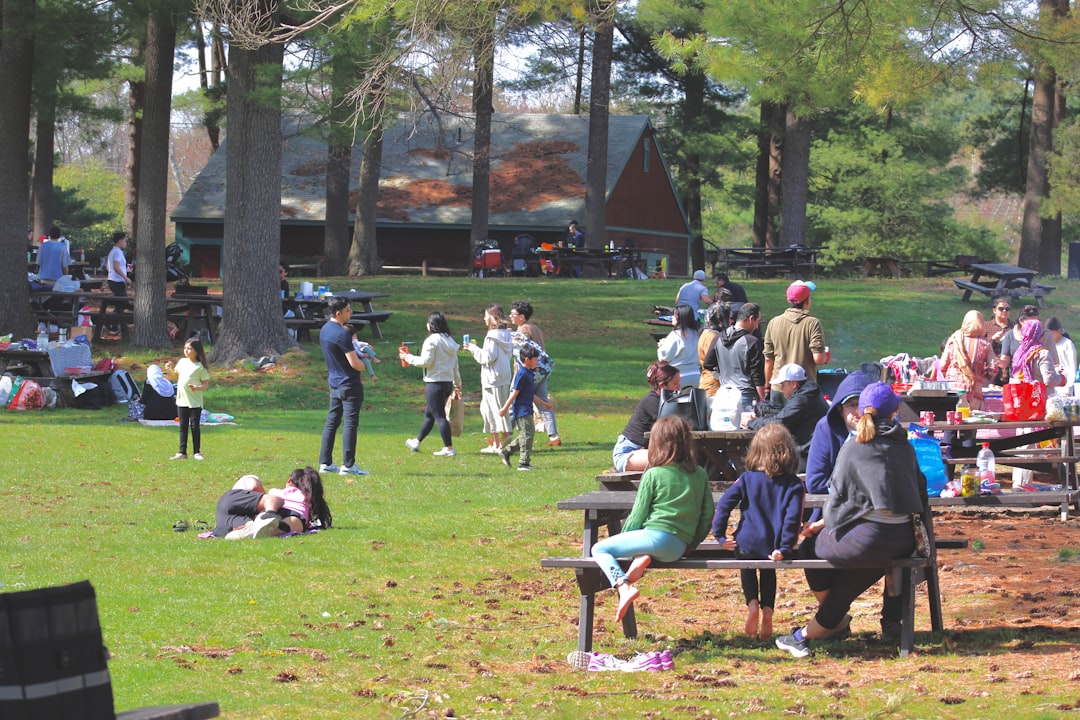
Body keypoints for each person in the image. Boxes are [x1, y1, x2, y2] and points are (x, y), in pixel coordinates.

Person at [776, 382, 928, 658]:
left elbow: (838, 502)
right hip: (902, 540)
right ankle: (805, 635)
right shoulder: (904, 446)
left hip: (867, 540)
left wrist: (822, 525)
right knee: (851, 579)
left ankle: (824, 625)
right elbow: (919, 490)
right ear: (894, 412)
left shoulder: (854, 447)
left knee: (809, 548)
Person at [802, 367, 904, 641]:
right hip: (837, 516)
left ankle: (890, 620)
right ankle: (833, 616)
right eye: (850, 405)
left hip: (875, 524)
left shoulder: (890, 437)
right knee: (809, 545)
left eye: (862, 405)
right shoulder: (828, 430)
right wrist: (852, 491)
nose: (856, 412)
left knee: (892, 552)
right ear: (839, 408)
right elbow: (815, 481)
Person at [591, 415, 713, 622]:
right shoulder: (700, 474)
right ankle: (642, 557)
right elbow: (707, 514)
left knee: (599, 549)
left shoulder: (653, 474)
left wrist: (626, 538)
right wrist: (692, 543)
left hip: (655, 535)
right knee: (646, 547)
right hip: (678, 548)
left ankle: (624, 587)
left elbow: (638, 515)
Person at [711, 423, 804, 639]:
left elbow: (724, 505)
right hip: (772, 545)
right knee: (768, 570)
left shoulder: (746, 479)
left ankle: (752, 604)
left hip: (745, 542)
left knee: (748, 567)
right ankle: (768, 611)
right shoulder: (793, 485)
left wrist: (720, 536)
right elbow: (792, 519)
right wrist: (784, 547)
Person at [319, 296, 369, 476]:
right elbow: (355, 363)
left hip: (334, 383)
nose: (351, 312)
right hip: (349, 384)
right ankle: (348, 465)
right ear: (339, 313)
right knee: (350, 424)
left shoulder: (325, 330)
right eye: (349, 310)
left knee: (331, 422)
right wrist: (366, 364)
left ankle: (325, 463)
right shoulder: (342, 334)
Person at [401, 311, 462, 457]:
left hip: (434, 383)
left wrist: (407, 357)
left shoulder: (431, 340)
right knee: (430, 413)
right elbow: (455, 365)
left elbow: (425, 362)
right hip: (447, 382)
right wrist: (457, 383)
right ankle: (416, 441)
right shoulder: (450, 341)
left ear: (431, 325)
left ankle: (448, 448)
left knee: (439, 415)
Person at [747, 363, 828, 470]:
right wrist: (761, 411)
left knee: (770, 464)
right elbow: (785, 413)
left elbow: (779, 423)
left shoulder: (802, 399)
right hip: (812, 450)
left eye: (783, 384)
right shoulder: (808, 393)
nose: (781, 388)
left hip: (807, 455)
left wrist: (750, 423)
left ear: (793, 384)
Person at [762, 280, 830, 402]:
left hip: (778, 389)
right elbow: (819, 359)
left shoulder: (774, 322)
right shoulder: (813, 323)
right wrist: (825, 357)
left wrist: (767, 387)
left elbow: (768, 360)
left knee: (776, 422)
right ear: (807, 301)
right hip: (804, 391)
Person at [509, 300, 561, 446]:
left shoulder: (523, 330)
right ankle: (554, 437)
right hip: (541, 371)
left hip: (529, 373)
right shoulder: (534, 328)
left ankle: (505, 434)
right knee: (543, 403)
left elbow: (522, 353)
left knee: (514, 401)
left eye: (514, 314)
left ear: (522, 316)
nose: (510, 316)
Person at [612, 361, 680, 473]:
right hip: (628, 452)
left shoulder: (667, 402)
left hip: (646, 451)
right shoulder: (652, 401)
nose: (679, 388)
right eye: (675, 383)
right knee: (669, 459)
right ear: (662, 385)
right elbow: (672, 425)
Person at [465, 304, 514, 453]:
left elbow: (488, 357)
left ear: (493, 318)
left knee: (492, 409)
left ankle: (504, 438)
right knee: (490, 408)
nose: (484, 318)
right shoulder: (506, 334)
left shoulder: (492, 336)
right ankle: (496, 443)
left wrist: (472, 348)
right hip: (503, 375)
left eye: (486, 315)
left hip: (493, 378)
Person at [498, 345, 552, 470]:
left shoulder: (528, 373)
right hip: (521, 409)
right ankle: (523, 463)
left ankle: (507, 451)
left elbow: (530, 394)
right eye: (535, 359)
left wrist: (544, 404)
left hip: (527, 408)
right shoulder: (522, 373)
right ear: (527, 359)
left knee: (528, 434)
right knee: (527, 435)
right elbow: (515, 392)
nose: (537, 361)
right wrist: (505, 408)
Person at [712, 302, 767, 410]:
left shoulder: (719, 337)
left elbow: (708, 362)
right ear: (751, 319)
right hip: (745, 396)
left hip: (724, 394)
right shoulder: (751, 342)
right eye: (757, 321)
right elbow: (757, 375)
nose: (757, 326)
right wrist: (763, 400)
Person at [939, 310, 997, 410]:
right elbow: (993, 368)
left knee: (954, 419)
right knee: (972, 421)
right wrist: (984, 375)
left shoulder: (954, 339)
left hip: (953, 390)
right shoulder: (985, 343)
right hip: (974, 390)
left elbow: (942, 365)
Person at [164, 337, 211, 461]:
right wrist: (169, 369)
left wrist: (197, 387)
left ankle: (197, 452)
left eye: (189, 348)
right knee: (182, 426)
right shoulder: (181, 362)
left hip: (194, 401)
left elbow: (206, 384)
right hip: (181, 400)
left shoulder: (200, 367)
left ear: (196, 350)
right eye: (185, 348)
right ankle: (182, 452)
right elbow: (175, 377)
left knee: (195, 426)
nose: (186, 350)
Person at [212, 475, 288, 540]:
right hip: (234, 498)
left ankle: (244, 532)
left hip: (224, 525)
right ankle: (269, 516)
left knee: (249, 526)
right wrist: (267, 504)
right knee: (275, 500)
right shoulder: (246, 479)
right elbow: (254, 486)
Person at [268, 466, 333, 533]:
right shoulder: (308, 497)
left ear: (289, 480)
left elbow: (270, 494)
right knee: (286, 526)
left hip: (276, 511)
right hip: (297, 516)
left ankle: (267, 525)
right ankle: (274, 530)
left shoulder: (278, 491)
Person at [657, 304, 701, 388]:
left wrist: (661, 346)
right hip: (696, 375)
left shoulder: (676, 335)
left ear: (678, 317)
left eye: (674, 315)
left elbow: (664, 357)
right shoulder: (697, 334)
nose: (672, 317)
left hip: (679, 376)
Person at [104, 231, 132, 338]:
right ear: (120, 241)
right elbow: (116, 266)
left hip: (113, 280)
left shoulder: (113, 251)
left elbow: (108, 267)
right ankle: (108, 321)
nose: (126, 243)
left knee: (120, 303)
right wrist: (125, 278)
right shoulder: (117, 252)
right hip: (117, 281)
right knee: (123, 303)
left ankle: (114, 327)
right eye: (125, 240)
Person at [697, 302, 729, 397]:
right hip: (713, 385)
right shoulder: (711, 336)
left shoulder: (707, 332)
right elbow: (713, 361)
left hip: (709, 382)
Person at [1047, 317, 1076, 396]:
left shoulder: (1067, 344)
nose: (1049, 336)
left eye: (1052, 334)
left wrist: (1068, 388)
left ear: (1059, 331)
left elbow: (1072, 368)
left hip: (1065, 388)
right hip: (1052, 389)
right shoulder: (1047, 345)